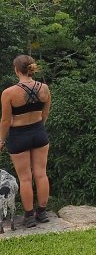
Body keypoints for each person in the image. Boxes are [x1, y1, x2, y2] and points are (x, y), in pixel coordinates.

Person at [0, 55, 52, 228]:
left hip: (19, 135)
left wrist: (1, 140)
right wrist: (39, 128)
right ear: (31, 68)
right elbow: (45, 114)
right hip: (39, 132)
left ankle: (29, 217)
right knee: (41, 174)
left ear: (16, 70)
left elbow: (6, 121)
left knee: (25, 178)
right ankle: (42, 213)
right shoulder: (44, 88)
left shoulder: (9, 93)